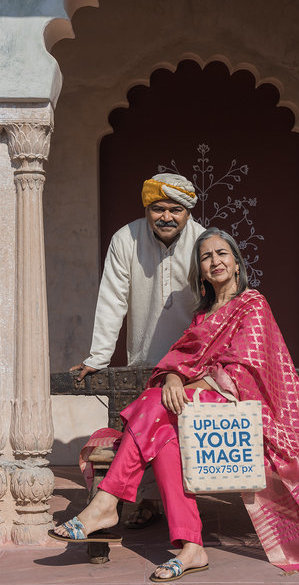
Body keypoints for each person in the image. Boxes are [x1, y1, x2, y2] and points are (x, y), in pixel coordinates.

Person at [50, 227, 299, 580]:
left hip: (235, 402)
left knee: (154, 401)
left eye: (222, 253)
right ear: (202, 272)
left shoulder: (252, 303)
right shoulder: (202, 316)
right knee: (166, 437)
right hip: (194, 405)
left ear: (237, 264)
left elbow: (248, 363)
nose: (215, 261)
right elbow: (181, 358)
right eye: (206, 257)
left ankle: (106, 503)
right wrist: (176, 378)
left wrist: (185, 382)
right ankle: (191, 547)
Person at [71, 172, 205, 527]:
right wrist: (98, 356)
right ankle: (147, 501)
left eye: (175, 209)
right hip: (144, 355)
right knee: (144, 428)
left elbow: (217, 302)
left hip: (194, 362)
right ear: (147, 209)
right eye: (158, 208)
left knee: (182, 431)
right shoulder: (125, 239)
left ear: (188, 211)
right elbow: (112, 298)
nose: (166, 217)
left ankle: (184, 502)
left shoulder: (204, 242)